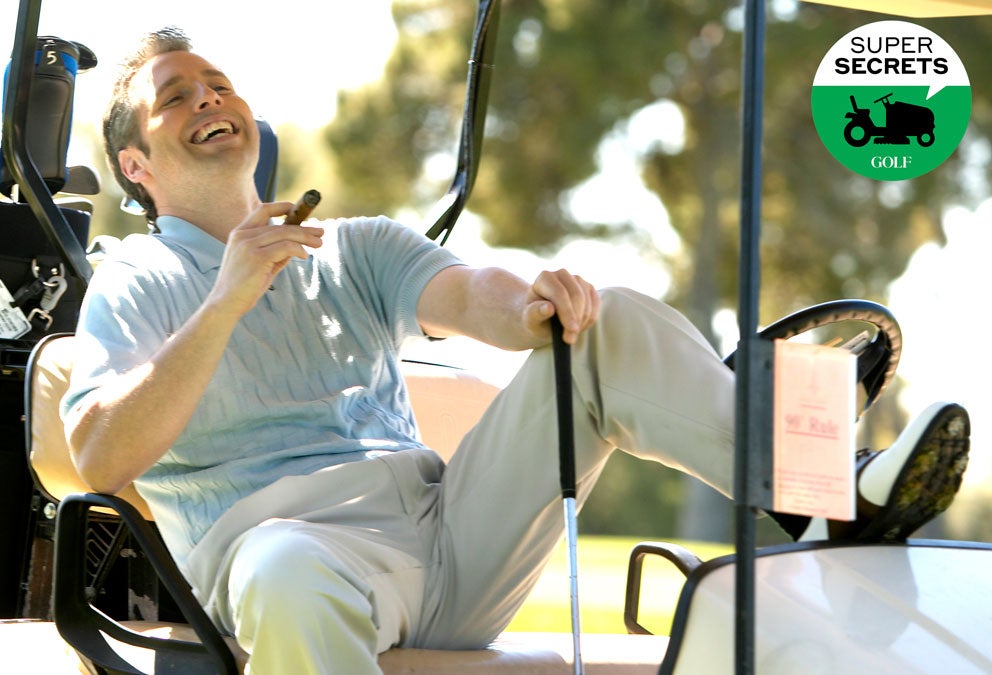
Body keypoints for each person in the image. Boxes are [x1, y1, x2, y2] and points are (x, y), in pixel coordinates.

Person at [61, 27, 972, 674]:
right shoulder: (134, 282)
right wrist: (226, 299)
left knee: (605, 315)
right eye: (174, 98)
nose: (208, 99)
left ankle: (830, 497)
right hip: (288, 560)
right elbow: (101, 455)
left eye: (217, 82)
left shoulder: (354, 245)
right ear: (137, 167)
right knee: (286, 569)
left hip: (448, 537)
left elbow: (468, 293)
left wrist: (534, 302)